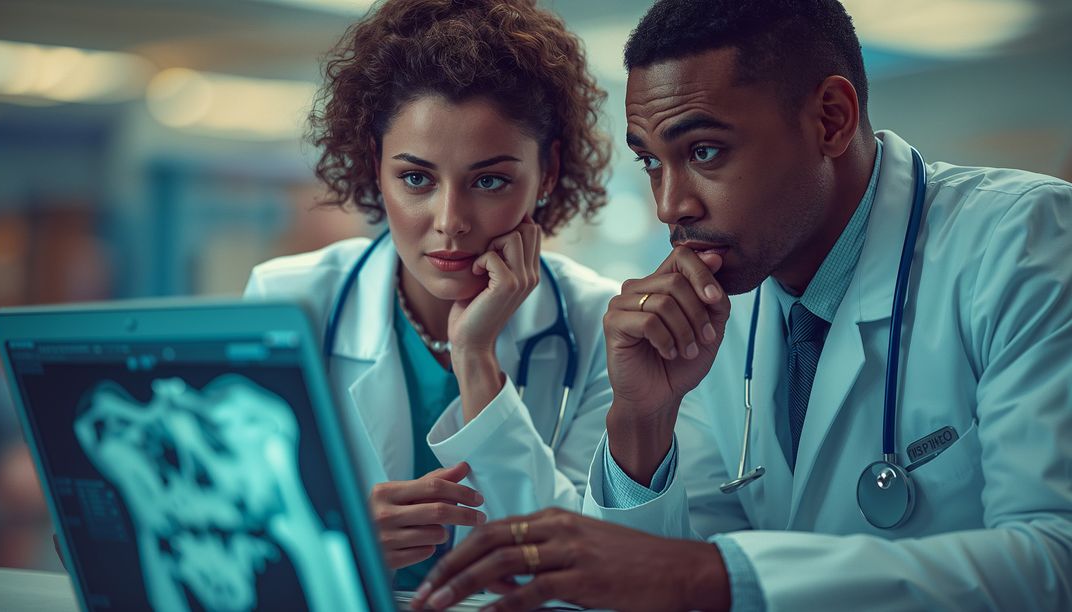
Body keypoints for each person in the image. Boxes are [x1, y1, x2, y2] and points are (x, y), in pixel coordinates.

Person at [411, 1, 1072, 610]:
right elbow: (647, 579)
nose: (671, 206)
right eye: (651, 162)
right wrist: (643, 419)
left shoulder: (1025, 243)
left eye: (705, 152)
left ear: (831, 120)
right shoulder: (710, 305)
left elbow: (1056, 559)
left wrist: (713, 575)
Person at [243, 0, 614, 590]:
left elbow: (586, 561)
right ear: (375, 166)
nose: (450, 221)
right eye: (416, 178)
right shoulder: (289, 301)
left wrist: (475, 356)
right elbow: (234, 527)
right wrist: (337, 539)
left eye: (489, 181)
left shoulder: (599, 322)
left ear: (546, 174)